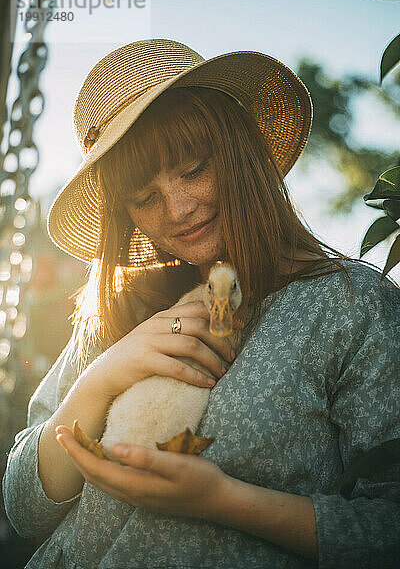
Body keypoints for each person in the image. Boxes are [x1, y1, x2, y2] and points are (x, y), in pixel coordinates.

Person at [3, 39, 400, 569]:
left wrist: (222, 501)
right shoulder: (121, 313)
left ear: (239, 153)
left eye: (193, 170)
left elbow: (388, 529)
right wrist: (102, 376)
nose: (180, 208)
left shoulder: (351, 307)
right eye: (145, 198)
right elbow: (25, 508)